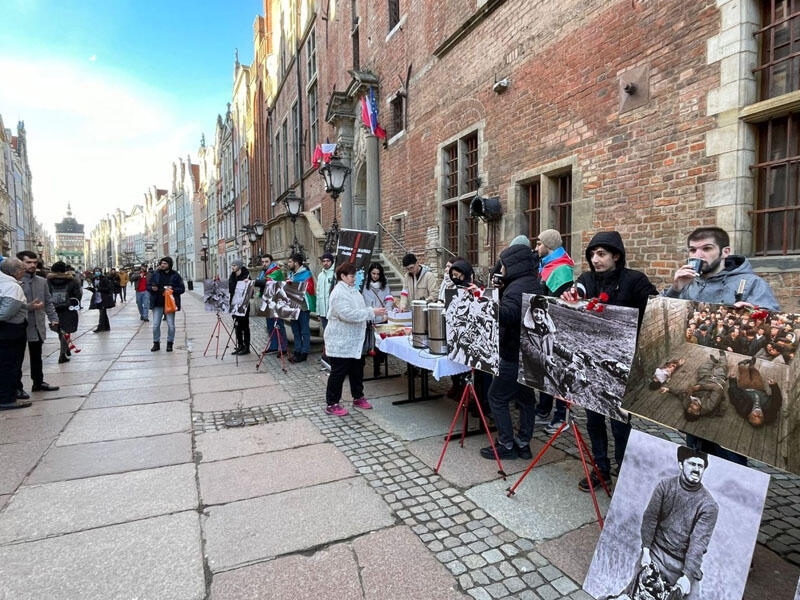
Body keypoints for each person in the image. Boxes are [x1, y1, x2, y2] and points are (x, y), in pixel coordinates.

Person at [663, 226, 780, 465]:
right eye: (693, 250)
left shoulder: (750, 283)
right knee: (694, 441)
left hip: (733, 357)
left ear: (725, 251)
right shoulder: (690, 282)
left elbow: (772, 321)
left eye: (706, 248)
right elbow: (667, 311)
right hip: (701, 359)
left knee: (729, 455)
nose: (698, 255)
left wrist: (752, 313)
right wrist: (675, 289)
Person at [561, 231, 658, 492]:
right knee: (593, 420)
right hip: (593, 363)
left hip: (623, 366)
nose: (596, 259)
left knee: (620, 423)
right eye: (592, 254)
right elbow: (578, 289)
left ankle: (624, 472)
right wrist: (573, 294)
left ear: (616, 255)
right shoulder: (588, 279)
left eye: (601, 254)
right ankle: (600, 469)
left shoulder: (634, 280)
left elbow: (655, 307)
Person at [628, 447, 718, 599]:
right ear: (681, 465)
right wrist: (646, 551)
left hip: (682, 563)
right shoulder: (665, 487)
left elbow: (698, 544)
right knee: (633, 595)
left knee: (692, 596)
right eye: (692, 464)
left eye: (700, 466)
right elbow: (650, 519)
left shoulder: (709, 505)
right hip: (656, 553)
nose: (696, 469)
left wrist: (687, 576)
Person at [479, 243, 542, 460]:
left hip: (513, 352)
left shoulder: (517, 287)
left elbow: (508, 315)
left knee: (496, 397)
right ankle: (523, 443)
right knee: (526, 400)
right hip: (528, 354)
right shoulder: (532, 282)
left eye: (504, 265)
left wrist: (485, 302)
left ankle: (506, 445)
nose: (501, 269)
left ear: (514, 265)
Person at [323, 262, 386, 416]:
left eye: (355, 276)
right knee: (338, 373)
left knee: (356, 370)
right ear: (343, 276)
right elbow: (348, 314)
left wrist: (371, 313)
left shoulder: (353, 290)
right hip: (340, 341)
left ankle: (358, 396)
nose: (354, 279)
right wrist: (372, 312)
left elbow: (360, 309)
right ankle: (332, 403)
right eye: (351, 276)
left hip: (355, 341)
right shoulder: (338, 292)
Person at [533, 229, 575, 434]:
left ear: (549, 245)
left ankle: (561, 416)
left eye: (539, 243)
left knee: (558, 372)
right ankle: (543, 409)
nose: (536, 247)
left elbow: (558, 302)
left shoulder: (561, 270)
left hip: (556, 328)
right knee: (545, 368)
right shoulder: (546, 265)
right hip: (544, 326)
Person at [16, 251, 59, 395]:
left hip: (37, 324)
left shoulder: (42, 281)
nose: (33, 265)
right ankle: (17, 387)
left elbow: (48, 302)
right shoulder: (15, 282)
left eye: (34, 262)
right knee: (17, 358)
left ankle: (38, 382)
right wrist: (29, 307)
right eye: (28, 262)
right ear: (20, 263)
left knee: (36, 355)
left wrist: (54, 318)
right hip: (19, 325)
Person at [660, 351, 730, 421]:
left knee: (703, 368)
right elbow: (717, 388)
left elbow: (680, 393)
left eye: (689, 408)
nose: (691, 405)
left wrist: (668, 389)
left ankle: (713, 361)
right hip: (716, 381)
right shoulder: (708, 406)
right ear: (697, 413)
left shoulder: (687, 403)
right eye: (693, 409)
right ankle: (723, 357)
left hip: (703, 379)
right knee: (720, 369)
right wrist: (699, 387)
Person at [0, 257, 32, 410]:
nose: (24, 272)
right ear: (16, 272)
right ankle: (7, 398)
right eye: (23, 270)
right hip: (10, 331)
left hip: (7, 331)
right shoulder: (12, 287)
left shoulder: (4, 282)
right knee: (9, 364)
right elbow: (6, 313)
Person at [728, 357, 782, 427]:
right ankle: (751, 366)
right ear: (764, 418)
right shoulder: (770, 411)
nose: (758, 415)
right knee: (756, 374)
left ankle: (741, 365)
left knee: (744, 374)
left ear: (749, 416)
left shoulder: (743, 408)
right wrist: (774, 386)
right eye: (760, 417)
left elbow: (735, 395)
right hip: (759, 389)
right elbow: (777, 399)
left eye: (754, 416)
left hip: (745, 388)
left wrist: (732, 380)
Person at [362, 261, 394, 377]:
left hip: (381, 318)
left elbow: (389, 299)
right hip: (368, 318)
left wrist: (387, 311)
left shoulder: (385, 286)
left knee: (378, 345)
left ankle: (377, 369)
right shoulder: (364, 285)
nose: (375, 276)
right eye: (373, 273)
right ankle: (361, 367)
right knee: (366, 344)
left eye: (377, 274)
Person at [47, 261, 83, 364]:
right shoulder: (72, 280)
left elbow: (47, 294)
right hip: (68, 308)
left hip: (54, 309)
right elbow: (78, 295)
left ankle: (65, 348)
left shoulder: (48, 281)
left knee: (60, 330)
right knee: (67, 330)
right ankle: (63, 354)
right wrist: (73, 302)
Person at [148, 256, 185, 352]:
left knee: (171, 325)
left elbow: (182, 289)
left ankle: (170, 343)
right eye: (162, 263)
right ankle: (156, 343)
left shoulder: (175, 275)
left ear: (169, 265)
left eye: (165, 263)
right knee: (156, 325)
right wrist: (152, 288)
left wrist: (172, 289)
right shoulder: (156, 274)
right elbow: (148, 286)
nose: (162, 265)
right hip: (157, 302)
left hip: (170, 303)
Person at [253, 254, 288, 354]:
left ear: (271, 262)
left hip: (276, 300)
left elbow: (266, 282)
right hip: (267, 300)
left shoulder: (276, 271)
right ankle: (273, 345)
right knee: (270, 325)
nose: (264, 264)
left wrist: (253, 281)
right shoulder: (264, 272)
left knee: (278, 324)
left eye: (266, 261)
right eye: (263, 262)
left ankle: (283, 347)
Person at [286, 252, 315, 363]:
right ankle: (297, 350)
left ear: (296, 263)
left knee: (304, 330)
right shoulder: (291, 274)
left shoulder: (306, 274)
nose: (288, 264)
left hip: (303, 307)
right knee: (295, 330)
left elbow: (310, 289)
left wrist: (294, 284)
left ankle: (304, 352)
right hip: (293, 306)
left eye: (290, 262)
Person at [228, 259, 251, 355]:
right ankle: (240, 345)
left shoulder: (247, 276)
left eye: (234, 265)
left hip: (243, 305)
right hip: (234, 304)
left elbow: (251, 291)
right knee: (237, 325)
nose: (232, 267)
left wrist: (248, 283)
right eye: (232, 265)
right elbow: (230, 289)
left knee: (245, 326)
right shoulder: (232, 276)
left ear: (239, 266)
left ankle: (246, 347)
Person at [316, 252, 336, 368]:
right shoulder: (320, 275)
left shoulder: (334, 274)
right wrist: (318, 311)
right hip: (323, 311)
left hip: (331, 311)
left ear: (331, 262)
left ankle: (333, 357)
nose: (325, 263)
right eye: (323, 261)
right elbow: (318, 294)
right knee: (326, 335)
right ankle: (327, 356)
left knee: (333, 335)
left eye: (327, 261)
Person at [87, 266, 114, 333]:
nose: (97, 272)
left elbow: (108, 288)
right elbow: (95, 289)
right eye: (96, 271)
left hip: (104, 298)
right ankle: (106, 327)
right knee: (103, 313)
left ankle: (100, 327)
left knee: (102, 313)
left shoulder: (104, 279)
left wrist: (99, 289)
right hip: (97, 297)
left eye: (98, 271)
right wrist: (91, 289)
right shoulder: (94, 279)